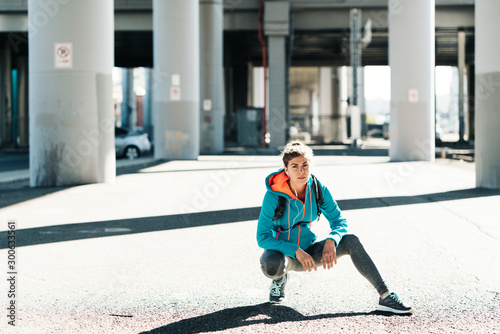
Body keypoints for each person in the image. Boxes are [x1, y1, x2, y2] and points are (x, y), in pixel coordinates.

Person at [256, 140, 413, 314]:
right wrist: (295, 251)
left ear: (310, 166)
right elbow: (262, 237)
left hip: (310, 252)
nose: (301, 171)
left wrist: (332, 239)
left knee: (351, 241)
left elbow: (339, 221)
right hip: (283, 256)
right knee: (271, 264)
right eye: (295, 166)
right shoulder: (273, 196)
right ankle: (279, 278)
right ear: (286, 170)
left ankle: (385, 296)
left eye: (305, 165)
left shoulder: (318, 189)